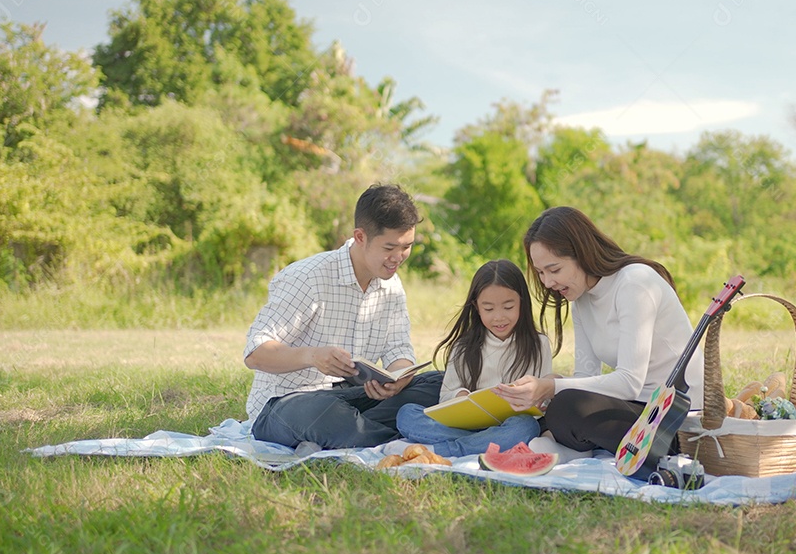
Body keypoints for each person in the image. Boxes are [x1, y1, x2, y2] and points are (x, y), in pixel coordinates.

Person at [493, 206, 703, 476]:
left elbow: (629, 382)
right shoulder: (581, 301)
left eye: (553, 269)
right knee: (560, 406)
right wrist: (549, 388)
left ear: (581, 253)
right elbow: (586, 375)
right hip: (636, 408)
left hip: (675, 419)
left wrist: (552, 387)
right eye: (540, 273)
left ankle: (574, 446)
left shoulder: (634, 283)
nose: (546, 282)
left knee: (566, 406)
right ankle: (576, 446)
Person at [244, 184, 442, 450]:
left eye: (406, 247)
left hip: (352, 399)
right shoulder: (307, 277)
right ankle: (399, 441)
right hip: (287, 404)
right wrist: (312, 356)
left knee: (440, 383)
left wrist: (396, 381)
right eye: (389, 248)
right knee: (322, 414)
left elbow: (399, 352)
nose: (398, 258)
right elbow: (255, 354)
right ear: (360, 237)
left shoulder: (391, 287)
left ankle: (348, 436)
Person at [396, 260, 553, 457]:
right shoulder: (464, 347)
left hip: (509, 425)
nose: (499, 317)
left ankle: (447, 449)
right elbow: (445, 396)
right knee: (407, 415)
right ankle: (479, 444)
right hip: (466, 426)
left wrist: (537, 398)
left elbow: (545, 398)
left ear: (522, 302)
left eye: (508, 307)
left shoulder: (539, 344)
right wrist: (461, 396)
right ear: (476, 307)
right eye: (488, 309)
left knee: (526, 427)